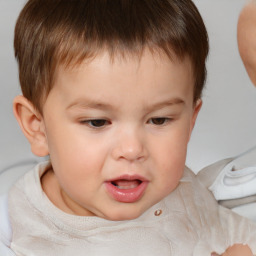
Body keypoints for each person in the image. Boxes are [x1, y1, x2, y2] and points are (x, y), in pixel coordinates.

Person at [2, 0, 256, 255]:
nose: (132, 149)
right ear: (37, 127)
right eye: (97, 122)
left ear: (191, 121)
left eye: (159, 120)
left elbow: (235, 232)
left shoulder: (187, 191)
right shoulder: (23, 233)